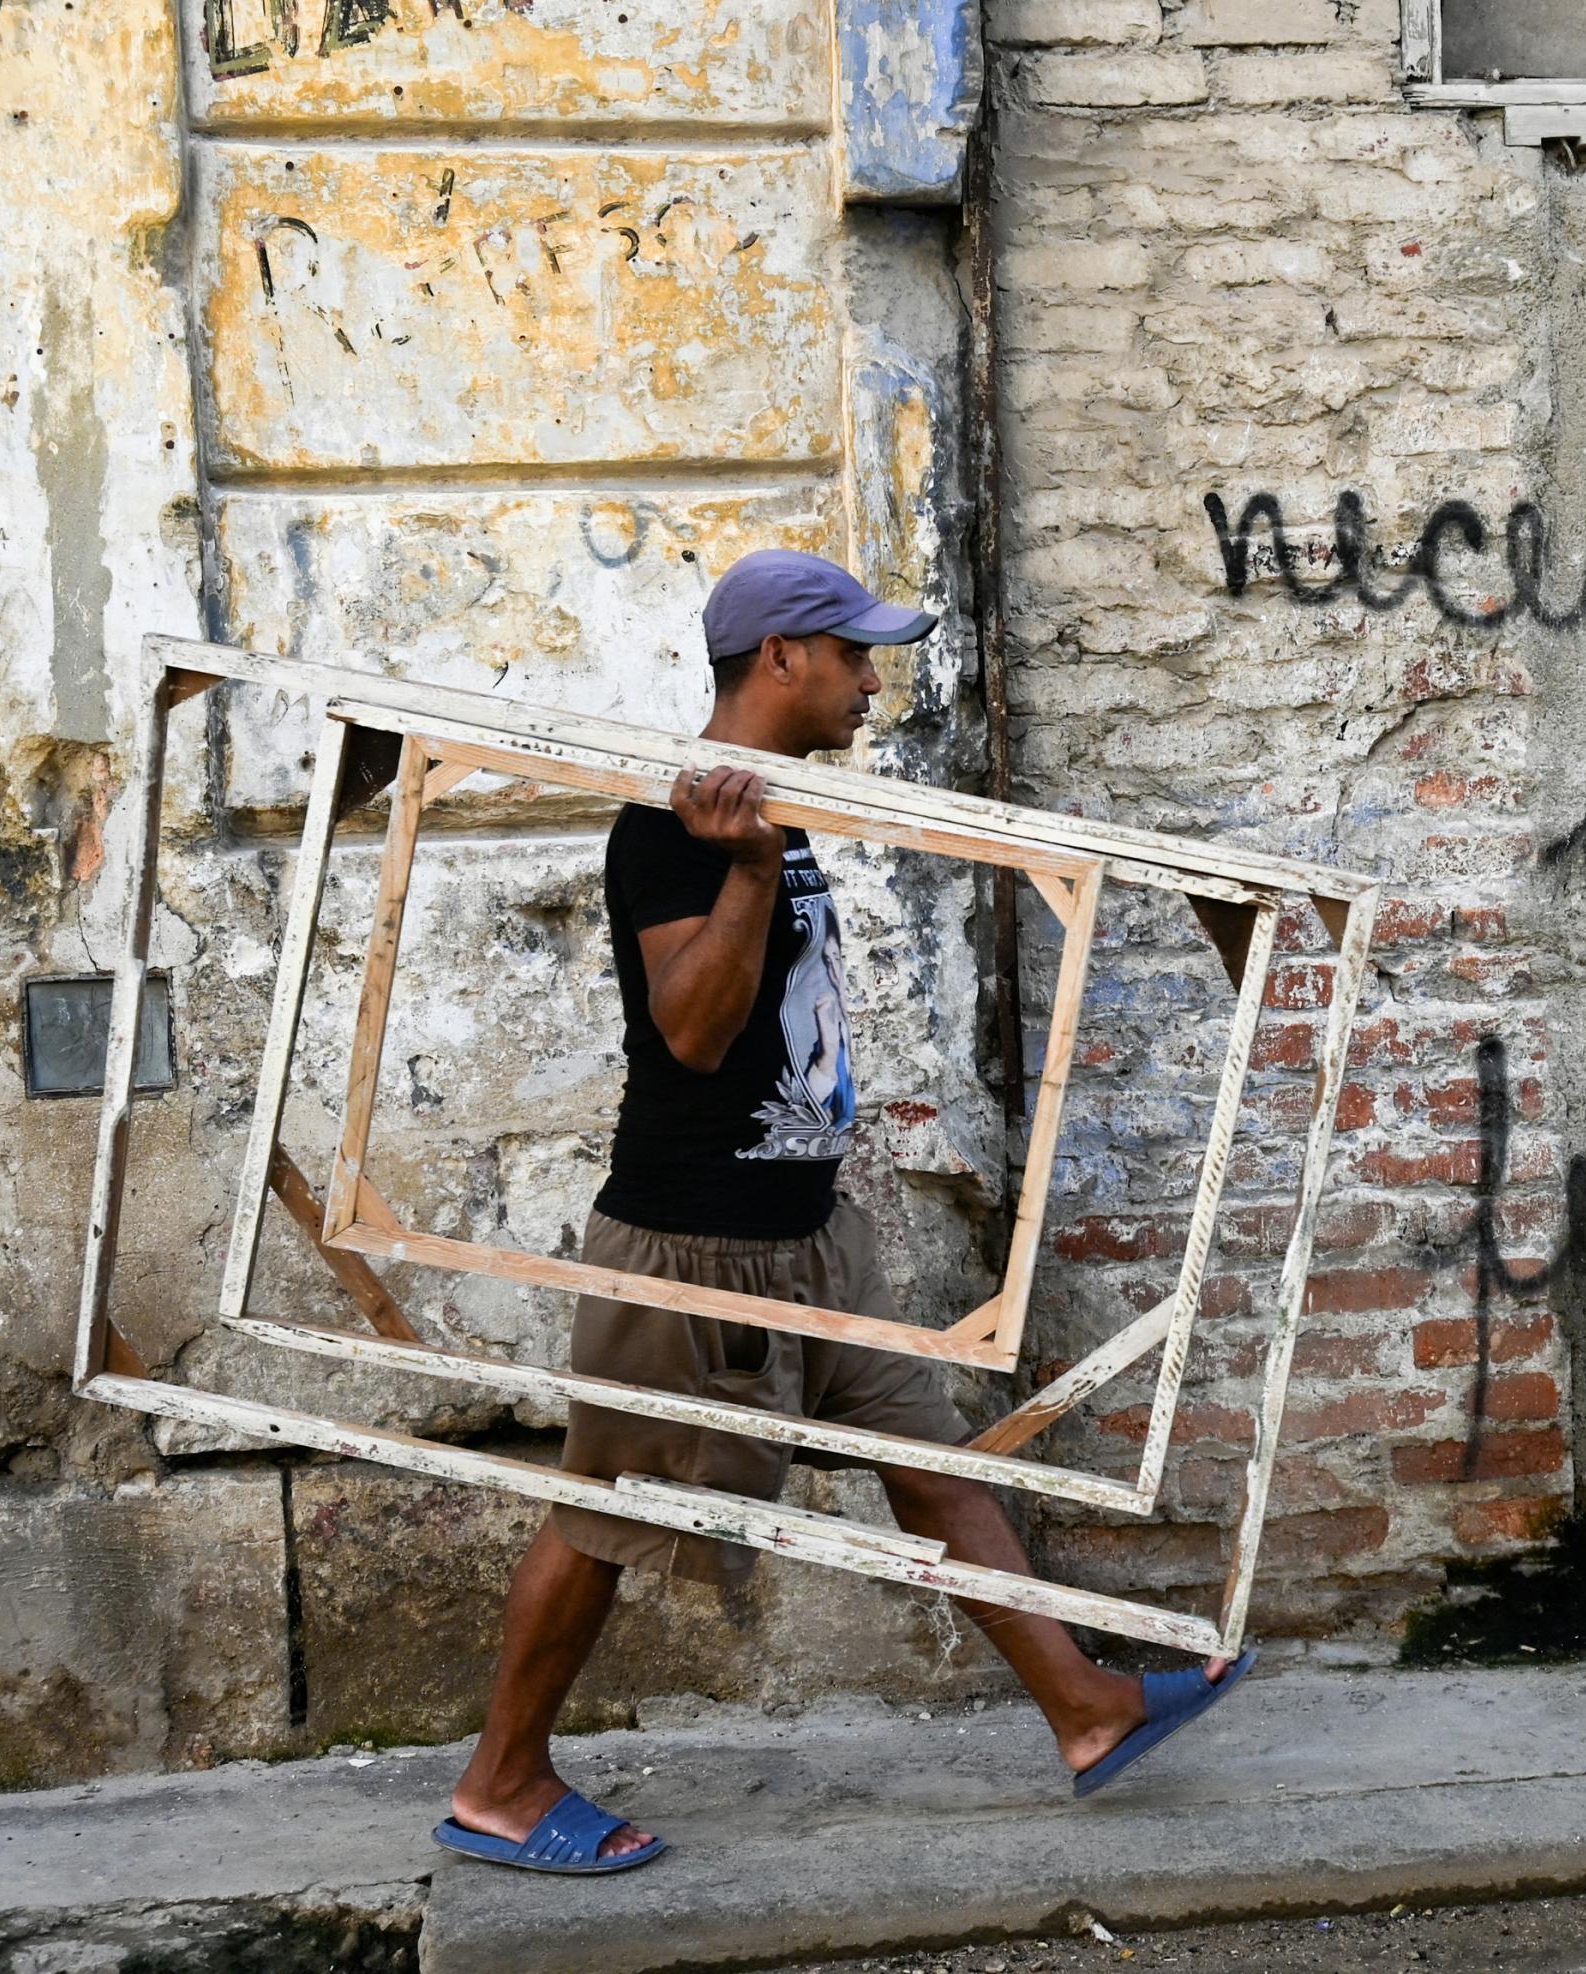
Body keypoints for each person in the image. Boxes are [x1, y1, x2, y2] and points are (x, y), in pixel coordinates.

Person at [434, 550, 1250, 1874]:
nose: (874, 681)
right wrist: (747, 874)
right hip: (690, 1249)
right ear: (780, 660)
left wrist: (768, 859)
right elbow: (691, 1035)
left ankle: (1086, 1706)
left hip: (809, 1236)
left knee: (934, 1459)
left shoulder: (781, 809)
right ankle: (502, 1781)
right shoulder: (666, 821)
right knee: (604, 1512)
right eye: (855, 654)